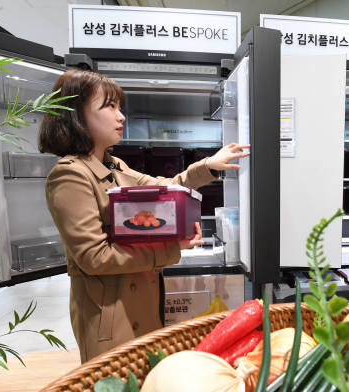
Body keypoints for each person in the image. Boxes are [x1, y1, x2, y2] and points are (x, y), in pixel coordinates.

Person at [39, 68, 249, 363]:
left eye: (120, 107)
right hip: (110, 320)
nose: (121, 116)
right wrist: (170, 248)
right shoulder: (70, 175)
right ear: (76, 115)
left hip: (141, 309)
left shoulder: (115, 166)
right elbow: (93, 256)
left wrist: (210, 166)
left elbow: (165, 187)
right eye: (109, 107)